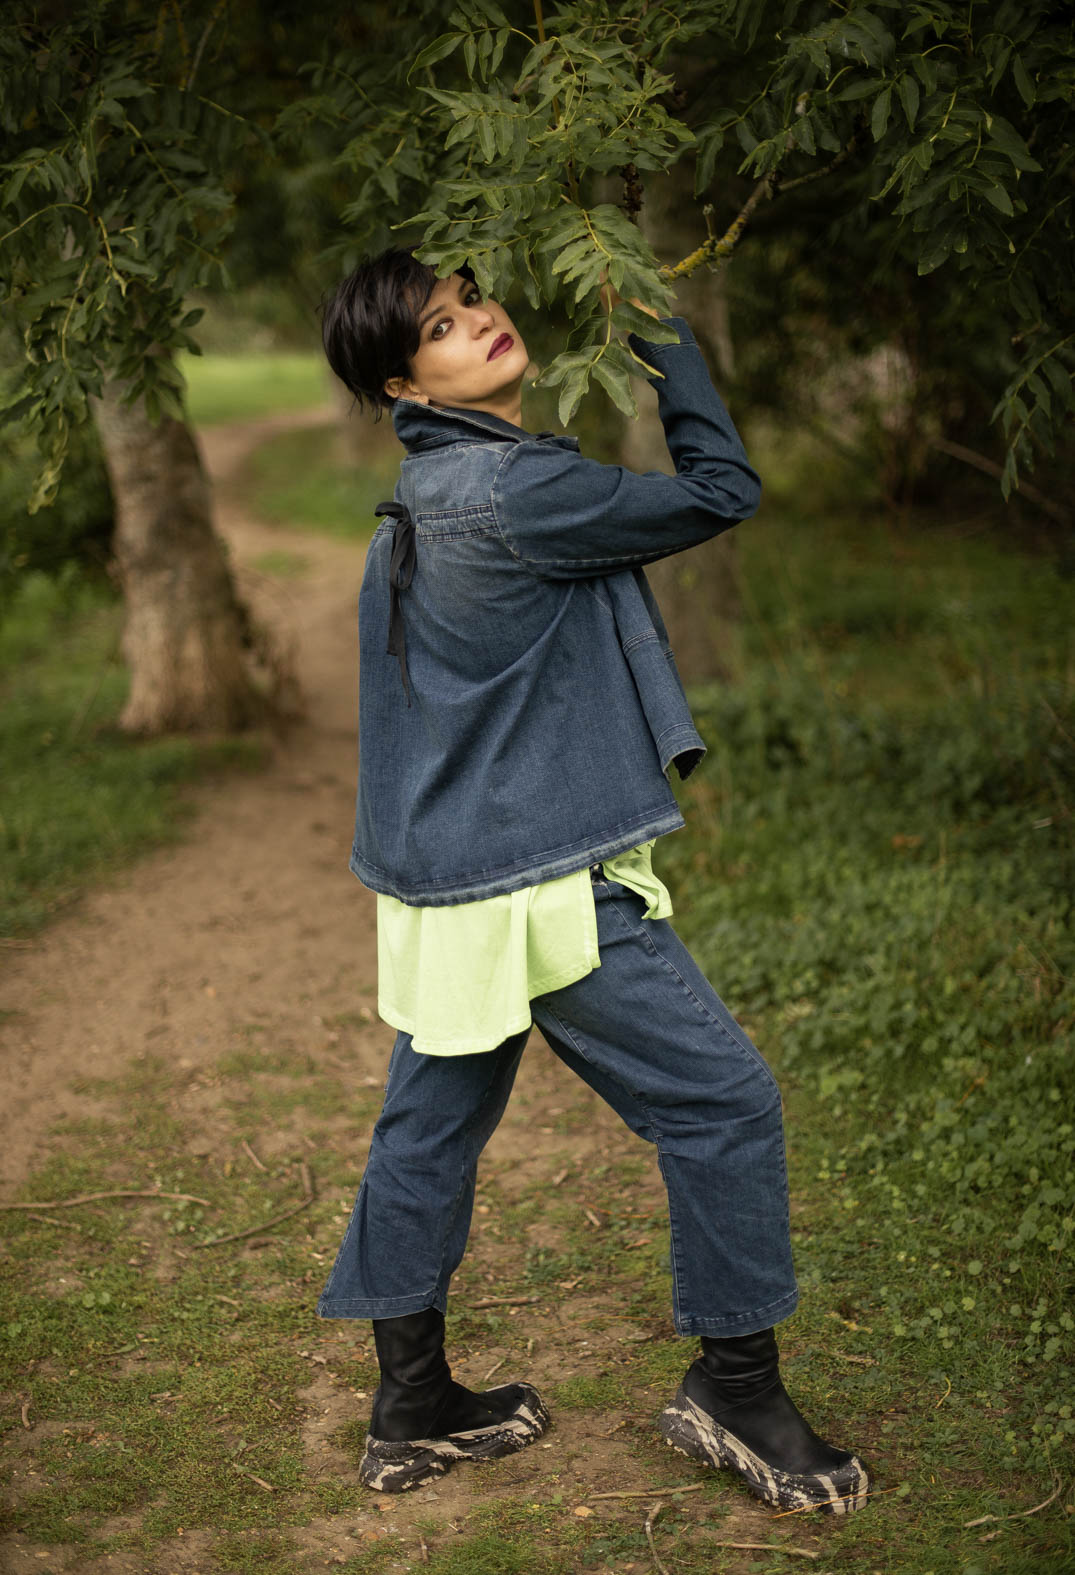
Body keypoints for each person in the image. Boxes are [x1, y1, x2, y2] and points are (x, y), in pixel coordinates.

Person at [316, 249, 868, 1514]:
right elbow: (720, 489)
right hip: (537, 881)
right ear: (406, 378)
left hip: (443, 875)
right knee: (723, 1104)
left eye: (472, 299)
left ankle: (411, 1409)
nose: (482, 323)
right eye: (442, 327)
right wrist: (662, 330)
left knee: (427, 1131)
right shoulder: (517, 493)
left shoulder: (426, 489)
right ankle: (734, 1390)